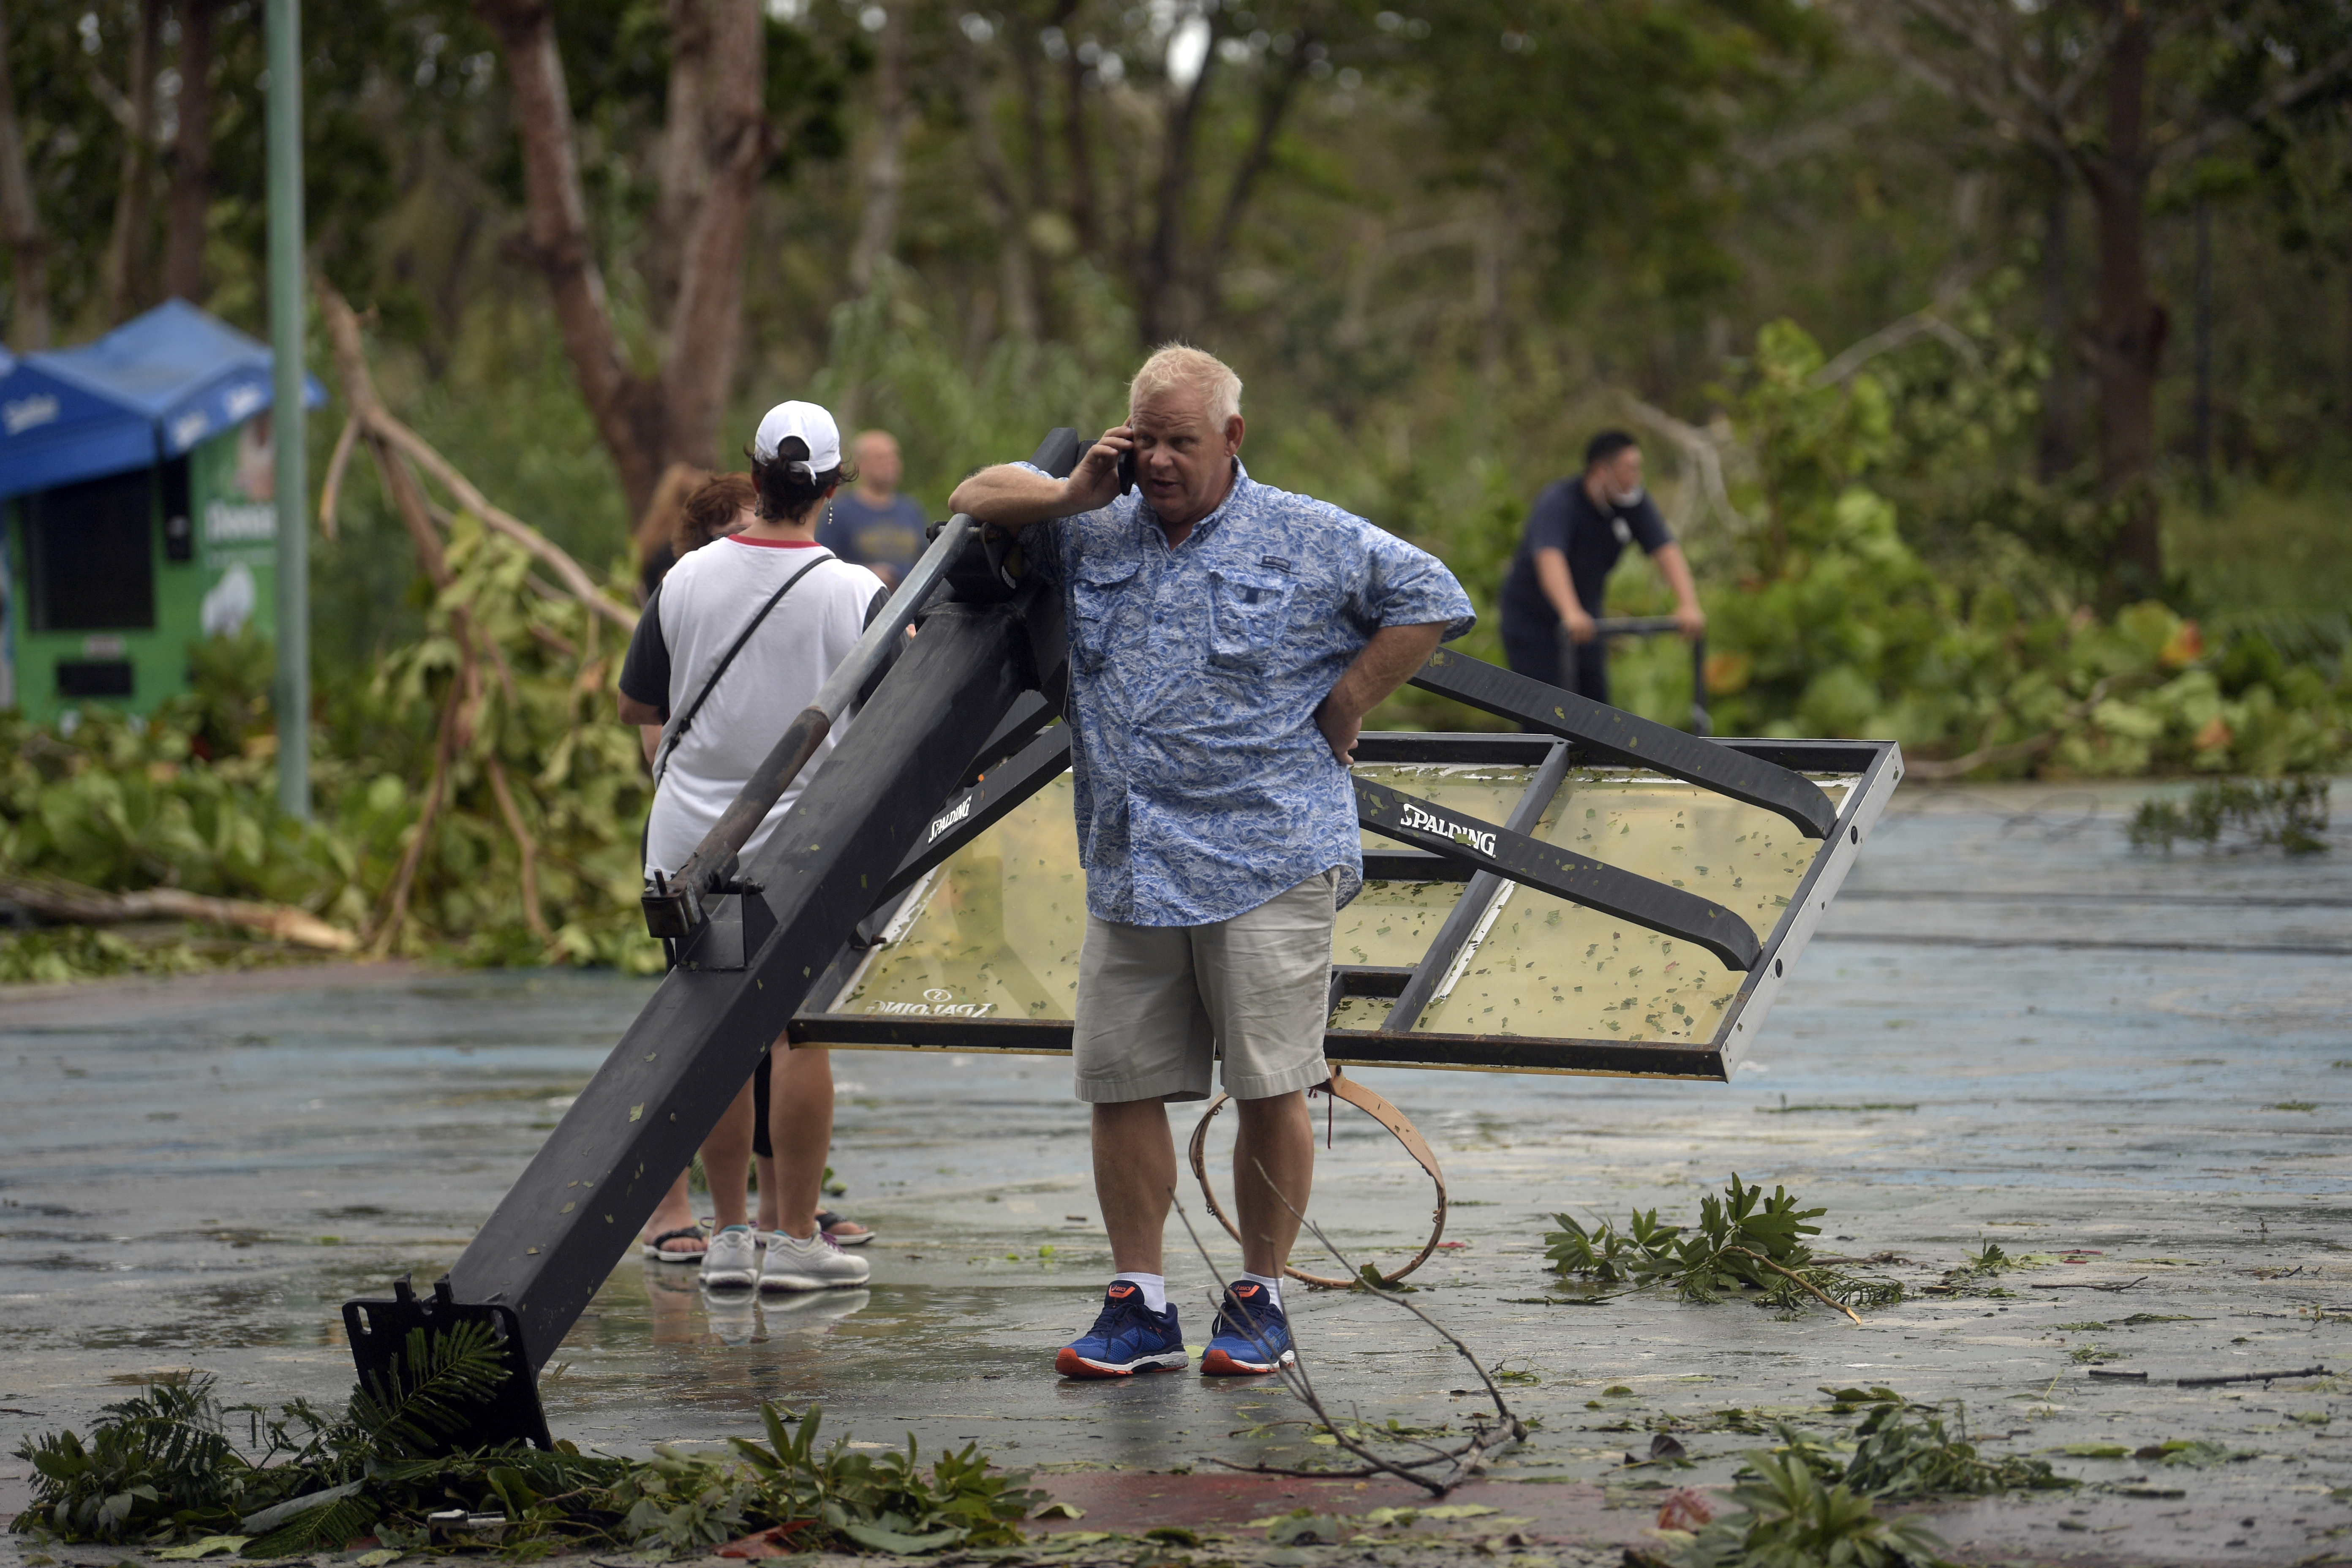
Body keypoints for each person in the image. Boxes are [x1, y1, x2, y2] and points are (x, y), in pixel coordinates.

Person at [949, 346, 1474, 1380]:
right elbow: (972, 497)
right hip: (1132, 855)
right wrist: (1065, 492)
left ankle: (1260, 1297)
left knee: (1272, 1081)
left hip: (1267, 850)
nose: (1157, 463)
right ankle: (1138, 1303)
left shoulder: (1308, 533)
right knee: (1120, 1082)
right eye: (1144, 439)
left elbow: (1433, 594)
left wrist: (1349, 696)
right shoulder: (1087, 527)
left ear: (1232, 438)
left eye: (1180, 442)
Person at [616, 404, 882, 1294]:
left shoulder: (685, 579)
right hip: (808, 842)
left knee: (711, 1033)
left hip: (692, 840)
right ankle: (795, 1235)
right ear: (835, 490)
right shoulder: (857, 595)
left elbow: (639, 706)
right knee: (798, 1031)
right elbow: (890, 721)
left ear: (754, 474)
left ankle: (728, 1235)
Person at [1495, 430, 1704, 707]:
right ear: (1601, 470)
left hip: (1586, 621)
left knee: (1595, 713)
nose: (1636, 477)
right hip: (1534, 622)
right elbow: (1549, 558)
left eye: (1638, 469)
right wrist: (1569, 611)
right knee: (1546, 714)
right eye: (1629, 469)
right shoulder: (1559, 502)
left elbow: (1665, 550)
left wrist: (1688, 605)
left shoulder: (1633, 503)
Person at [816, 429, 928, 587]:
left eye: (894, 456)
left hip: (909, 606)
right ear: (861, 464)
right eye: (881, 458)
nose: (891, 463)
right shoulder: (840, 512)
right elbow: (824, 564)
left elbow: (926, 561)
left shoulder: (911, 510)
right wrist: (866, 572)